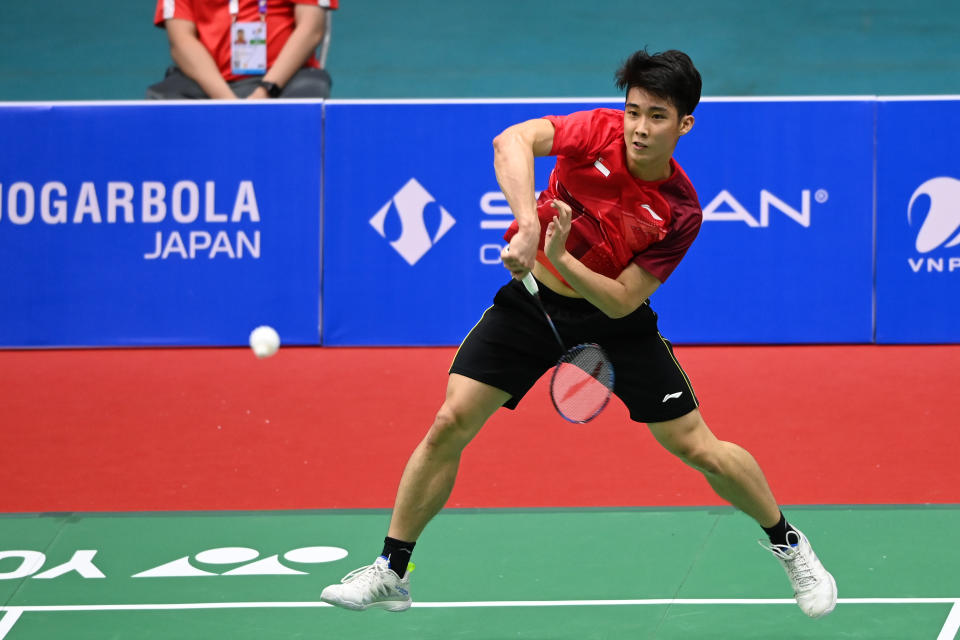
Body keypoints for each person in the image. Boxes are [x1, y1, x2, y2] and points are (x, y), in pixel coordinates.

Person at [319, 49, 838, 619]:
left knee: (698, 448)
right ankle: (393, 568)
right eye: (634, 110)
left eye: (657, 116)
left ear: (685, 124)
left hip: (614, 323)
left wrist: (561, 256)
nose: (639, 128)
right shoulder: (597, 132)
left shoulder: (680, 210)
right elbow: (510, 141)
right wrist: (531, 224)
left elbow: (621, 300)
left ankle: (789, 543)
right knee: (450, 421)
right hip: (532, 302)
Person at [147, 0, 338, 100]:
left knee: (306, 99)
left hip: (283, 82)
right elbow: (181, 41)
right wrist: (227, 101)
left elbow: (311, 29)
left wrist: (266, 90)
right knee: (165, 102)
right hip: (207, 84)